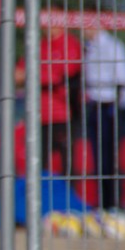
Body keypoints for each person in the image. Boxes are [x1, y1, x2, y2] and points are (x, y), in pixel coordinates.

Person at [16, 13, 83, 176]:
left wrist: (33, 74)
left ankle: (67, 192)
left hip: (63, 116)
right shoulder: (39, 45)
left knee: (67, 166)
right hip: (38, 116)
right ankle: (41, 193)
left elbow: (63, 76)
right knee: (38, 164)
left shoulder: (70, 44)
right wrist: (41, 75)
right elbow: (18, 75)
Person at [82, 23, 125, 208]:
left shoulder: (113, 46)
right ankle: (103, 203)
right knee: (99, 160)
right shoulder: (89, 48)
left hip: (111, 106)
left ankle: (114, 204)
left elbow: (124, 79)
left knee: (111, 160)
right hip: (95, 106)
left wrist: (119, 110)